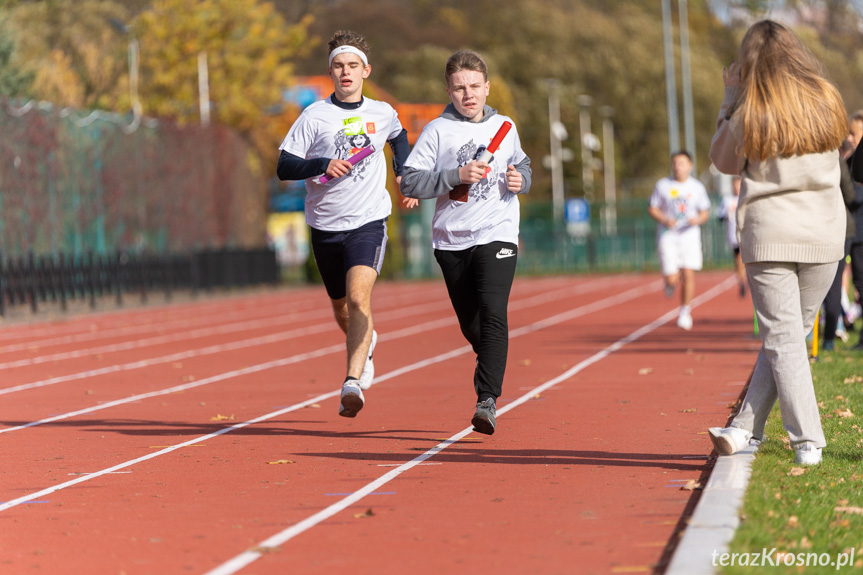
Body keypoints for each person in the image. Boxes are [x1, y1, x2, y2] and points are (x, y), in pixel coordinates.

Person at [706, 20, 847, 466]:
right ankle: (744, 427)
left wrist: (730, 96)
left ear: (750, 63)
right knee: (787, 336)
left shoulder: (753, 109)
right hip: (825, 231)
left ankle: (808, 439)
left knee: (784, 338)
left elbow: (723, 161)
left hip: (772, 235)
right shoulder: (827, 97)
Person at [276, 30, 415, 418]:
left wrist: (403, 174)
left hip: (368, 220)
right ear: (331, 72)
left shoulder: (382, 112)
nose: (346, 71)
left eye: (353, 65)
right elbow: (284, 165)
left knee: (359, 299)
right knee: (341, 308)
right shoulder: (315, 116)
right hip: (324, 224)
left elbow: (399, 137)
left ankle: (352, 382)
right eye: (338, 65)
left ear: (365, 70)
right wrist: (321, 164)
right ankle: (366, 343)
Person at [400, 50, 531, 435]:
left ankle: (486, 400)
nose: (468, 94)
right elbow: (409, 182)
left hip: (498, 232)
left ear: (487, 88)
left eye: (475, 86)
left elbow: (523, 164)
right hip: (451, 239)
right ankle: (492, 354)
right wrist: (455, 174)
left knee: (494, 313)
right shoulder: (437, 131)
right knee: (473, 326)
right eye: (460, 88)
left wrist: (521, 180)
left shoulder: (505, 126)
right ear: (449, 90)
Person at [647, 150, 711, 330]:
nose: (678, 167)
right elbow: (652, 208)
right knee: (672, 278)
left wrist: (696, 220)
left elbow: (705, 212)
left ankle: (685, 311)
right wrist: (664, 219)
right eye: (675, 163)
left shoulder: (697, 187)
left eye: (681, 163)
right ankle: (669, 283)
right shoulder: (662, 185)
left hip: (689, 235)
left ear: (690, 166)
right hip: (668, 236)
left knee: (689, 273)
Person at [717, 176, 746, 297]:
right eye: (735, 185)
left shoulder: (746, 198)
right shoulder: (727, 200)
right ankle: (742, 281)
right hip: (733, 235)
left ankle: (744, 279)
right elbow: (719, 217)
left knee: (745, 260)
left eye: (739, 185)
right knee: (738, 260)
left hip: (747, 234)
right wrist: (726, 214)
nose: (736, 187)